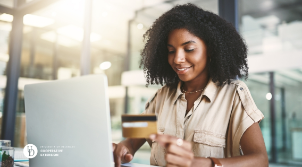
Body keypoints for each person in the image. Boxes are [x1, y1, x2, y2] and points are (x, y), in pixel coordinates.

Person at [112, 3, 268, 167]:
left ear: (211, 50)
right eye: (171, 51)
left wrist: (204, 164)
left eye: (189, 49)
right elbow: (131, 140)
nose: (177, 59)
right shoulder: (161, 96)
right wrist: (123, 147)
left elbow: (260, 160)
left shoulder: (235, 94)